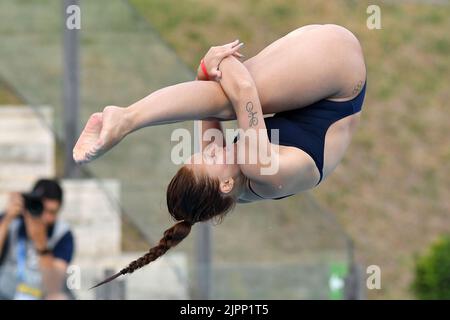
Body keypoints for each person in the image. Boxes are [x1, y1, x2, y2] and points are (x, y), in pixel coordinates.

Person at [73, 24, 367, 287]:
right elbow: (242, 89)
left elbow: (206, 97)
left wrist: (205, 69)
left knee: (217, 102)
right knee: (226, 103)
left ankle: (127, 118)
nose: (211, 149)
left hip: (314, 69)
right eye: (209, 158)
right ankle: (126, 119)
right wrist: (220, 61)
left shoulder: (228, 180)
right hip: (339, 67)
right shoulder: (261, 168)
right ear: (225, 185)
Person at [0, 179, 75, 299]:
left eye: (52, 212)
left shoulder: (63, 234)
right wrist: (7, 219)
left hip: (40, 293)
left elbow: (53, 285)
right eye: (41, 208)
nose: (45, 217)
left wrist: (41, 245)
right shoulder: (12, 222)